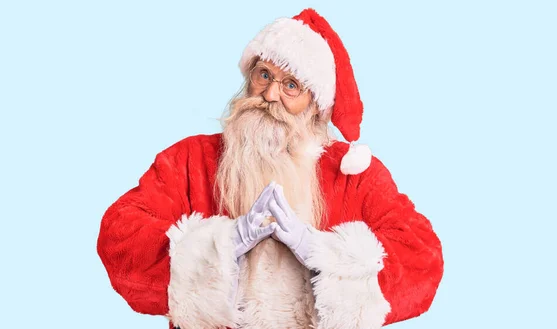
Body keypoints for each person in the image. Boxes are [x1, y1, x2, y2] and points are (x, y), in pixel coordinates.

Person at [97, 8, 444, 329]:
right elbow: (120, 235)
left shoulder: (352, 174)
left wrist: (322, 255)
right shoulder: (189, 159)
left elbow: (423, 260)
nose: (270, 95)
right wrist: (223, 245)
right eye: (264, 75)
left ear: (316, 106)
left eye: (291, 85)